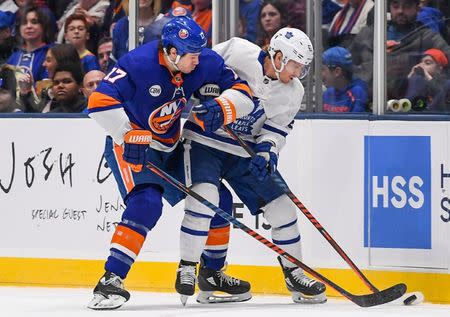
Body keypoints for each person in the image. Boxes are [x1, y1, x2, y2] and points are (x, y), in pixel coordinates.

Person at [86, 16, 253, 310]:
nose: (197, 61)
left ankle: (212, 274)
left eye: (199, 54)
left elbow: (243, 90)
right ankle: (110, 280)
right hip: (131, 146)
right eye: (191, 55)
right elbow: (99, 101)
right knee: (147, 202)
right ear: (172, 52)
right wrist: (127, 134)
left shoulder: (202, 61)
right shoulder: (137, 64)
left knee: (214, 198)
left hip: (170, 143)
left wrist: (224, 106)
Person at [175, 27, 327, 305]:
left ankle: (294, 271)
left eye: (302, 69)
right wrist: (203, 88)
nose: (297, 74)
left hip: (243, 151)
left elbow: (276, 129)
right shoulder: (237, 51)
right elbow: (196, 66)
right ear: (278, 56)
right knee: (204, 198)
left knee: (282, 206)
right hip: (204, 142)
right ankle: (187, 266)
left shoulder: (293, 91)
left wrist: (267, 151)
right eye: (295, 66)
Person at [351, 0, 450, 100]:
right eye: (395, 5)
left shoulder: (428, 37)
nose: (400, 11)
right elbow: (347, 67)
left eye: (407, 6)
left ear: (417, 8)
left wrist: (430, 82)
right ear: (389, 7)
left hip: (409, 106)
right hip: (365, 104)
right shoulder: (368, 34)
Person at [322, 46, 368, 112]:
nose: (321, 74)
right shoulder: (327, 93)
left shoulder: (357, 93)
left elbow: (356, 121)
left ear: (337, 71)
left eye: (323, 69)